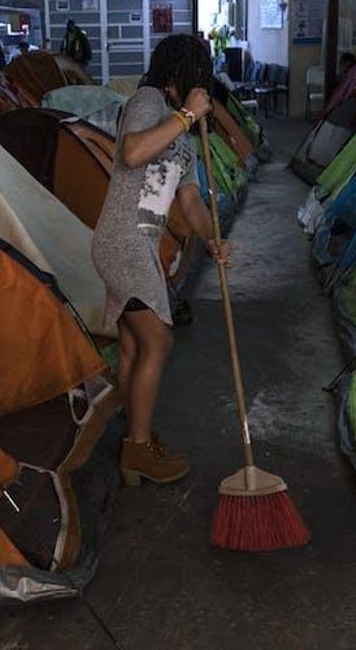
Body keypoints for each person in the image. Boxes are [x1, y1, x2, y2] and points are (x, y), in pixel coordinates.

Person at [91, 34, 230, 485]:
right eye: (199, 70)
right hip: (122, 240)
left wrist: (212, 238)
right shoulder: (148, 101)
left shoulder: (184, 139)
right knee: (159, 342)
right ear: (182, 71)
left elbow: (189, 204)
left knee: (134, 344)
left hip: (139, 244)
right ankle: (137, 449)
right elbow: (132, 152)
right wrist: (186, 113)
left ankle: (136, 436)